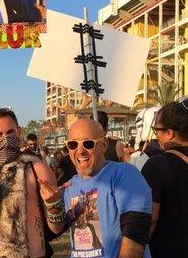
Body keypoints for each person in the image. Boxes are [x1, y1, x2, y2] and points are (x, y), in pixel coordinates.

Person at [0, 107, 66, 258]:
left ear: (19, 131)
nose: (5, 138)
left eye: (10, 132)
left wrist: (54, 205)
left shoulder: (36, 168)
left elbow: (57, 228)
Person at [63, 118, 152, 258]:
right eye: (73, 144)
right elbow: (56, 228)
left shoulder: (124, 174)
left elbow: (134, 239)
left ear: (103, 145)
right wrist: (52, 203)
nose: (80, 151)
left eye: (88, 144)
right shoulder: (70, 186)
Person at [141, 100, 188, 257]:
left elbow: (151, 218)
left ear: (170, 133)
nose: (156, 136)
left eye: (157, 130)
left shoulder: (157, 165)